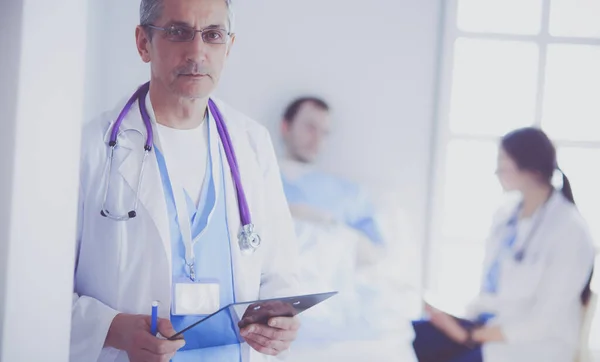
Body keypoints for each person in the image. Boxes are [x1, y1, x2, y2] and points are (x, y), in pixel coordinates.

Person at [70, 0, 301, 361]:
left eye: (212, 35)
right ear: (143, 43)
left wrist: (279, 323)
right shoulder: (87, 149)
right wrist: (113, 328)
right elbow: (36, 288)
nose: (197, 52)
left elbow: (279, 270)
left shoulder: (252, 143)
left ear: (229, 46)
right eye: (178, 32)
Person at [412, 127, 595, 362]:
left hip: (533, 346)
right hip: (491, 326)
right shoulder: (506, 216)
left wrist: (469, 335)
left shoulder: (570, 231)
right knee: (413, 336)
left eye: (503, 160)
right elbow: (494, 291)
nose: (497, 170)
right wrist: (454, 317)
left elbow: (543, 321)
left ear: (529, 167)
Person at [278, 97, 384, 265]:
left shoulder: (349, 193)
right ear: (285, 127)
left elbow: (374, 255)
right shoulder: (258, 180)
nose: (317, 139)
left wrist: (326, 222)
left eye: (324, 132)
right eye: (310, 128)